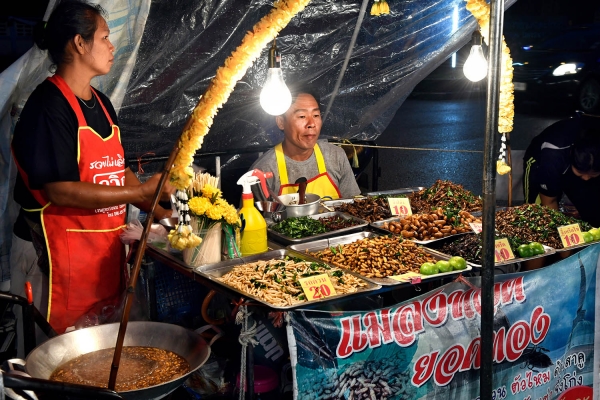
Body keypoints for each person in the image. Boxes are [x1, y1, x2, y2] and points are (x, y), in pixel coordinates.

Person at [11, 0, 173, 334]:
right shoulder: (48, 107)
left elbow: (118, 170)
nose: (111, 46)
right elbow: (59, 189)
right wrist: (139, 191)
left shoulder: (101, 103)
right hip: (52, 259)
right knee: (54, 366)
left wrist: (164, 214)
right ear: (79, 43)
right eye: (104, 37)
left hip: (98, 257)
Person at [250, 85, 361, 199]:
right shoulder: (264, 170)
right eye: (302, 116)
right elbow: (253, 216)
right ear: (281, 122)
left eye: (316, 115)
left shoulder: (336, 156)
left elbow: (354, 205)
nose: (311, 124)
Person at [523, 113, 600, 227]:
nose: (586, 178)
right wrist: (560, 231)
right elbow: (549, 203)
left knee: (592, 209)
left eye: (593, 174)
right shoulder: (552, 157)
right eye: (580, 173)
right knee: (536, 214)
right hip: (540, 160)